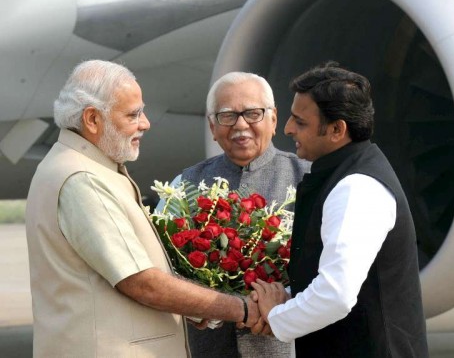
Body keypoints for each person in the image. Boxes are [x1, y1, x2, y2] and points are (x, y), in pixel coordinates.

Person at [25, 60, 259, 358]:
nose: (145, 123)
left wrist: (196, 306)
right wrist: (241, 308)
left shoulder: (76, 165)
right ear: (92, 119)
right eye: (133, 114)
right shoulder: (83, 179)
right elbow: (142, 283)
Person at [250, 61, 429, 357]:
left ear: (336, 129)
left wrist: (275, 315)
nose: (288, 128)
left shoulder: (356, 187)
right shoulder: (348, 174)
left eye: (301, 122)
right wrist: (284, 301)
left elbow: (336, 295)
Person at [164, 71, 310, 357]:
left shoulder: (307, 178)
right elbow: (162, 268)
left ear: (274, 119)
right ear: (211, 126)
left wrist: (284, 301)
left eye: (253, 113)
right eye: (227, 116)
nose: (241, 125)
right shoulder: (185, 185)